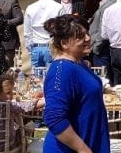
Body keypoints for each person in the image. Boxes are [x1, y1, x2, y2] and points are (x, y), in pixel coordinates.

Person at [42, 14, 108, 153]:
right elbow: (54, 118)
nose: (88, 38)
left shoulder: (79, 63)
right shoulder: (62, 70)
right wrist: (83, 149)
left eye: (87, 33)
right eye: (80, 37)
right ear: (64, 43)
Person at [0, 77, 45, 152]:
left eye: (12, 91)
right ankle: (24, 148)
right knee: (30, 125)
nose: (12, 95)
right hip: (3, 145)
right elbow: (28, 105)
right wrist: (46, 100)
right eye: (8, 93)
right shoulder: (8, 106)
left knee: (15, 126)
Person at [23, 0, 62, 68]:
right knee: (51, 78)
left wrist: (30, 50)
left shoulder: (30, 7)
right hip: (52, 47)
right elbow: (62, 30)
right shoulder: (59, 8)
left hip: (36, 47)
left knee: (36, 79)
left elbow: (27, 32)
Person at [88, 0, 116, 81]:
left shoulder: (108, 6)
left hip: (101, 50)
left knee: (103, 79)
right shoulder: (105, 4)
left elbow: (102, 29)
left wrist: (95, 48)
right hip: (101, 48)